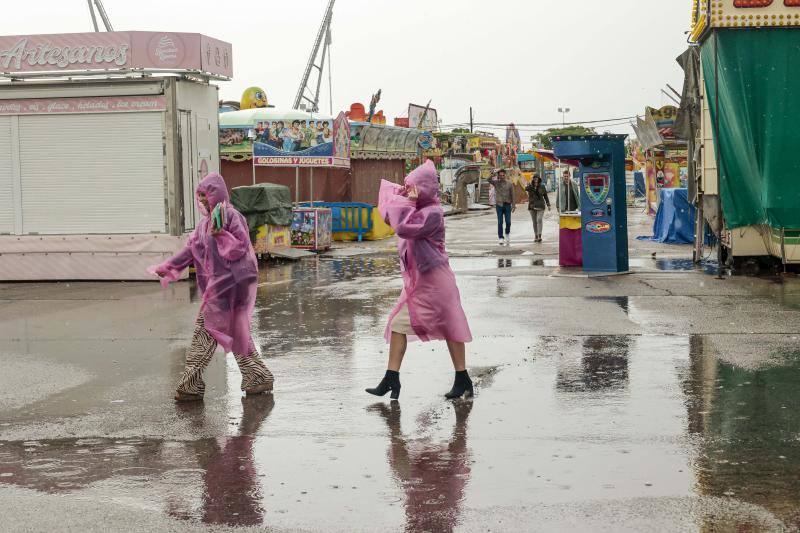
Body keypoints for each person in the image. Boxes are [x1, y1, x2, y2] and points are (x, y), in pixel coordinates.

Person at [150, 172, 274, 402]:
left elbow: (240, 249)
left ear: (217, 194)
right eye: (200, 196)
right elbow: (191, 250)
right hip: (218, 286)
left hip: (233, 285)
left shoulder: (231, 217)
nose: (203, 201)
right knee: (236, 334)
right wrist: (168, 267)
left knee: (204, 333)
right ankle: (257, 377)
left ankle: (191, 384)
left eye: (206, 195)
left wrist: (221, 235)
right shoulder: (204, 224)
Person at [367, 161, 474, 401]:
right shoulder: (420, 208)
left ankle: (462, 379)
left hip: (435, 281)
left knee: (451, 327)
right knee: (398, 324)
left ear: (424, 188)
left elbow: (406, 227)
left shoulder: (432, 213)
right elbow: (391, 217)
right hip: (421, 281)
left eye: (412, 186)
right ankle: (392, 378)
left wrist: (410, 202)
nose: (408, 190)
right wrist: (402, 198)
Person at [492, 169, 516, 246]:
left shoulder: (509, 184)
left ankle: (507, 233)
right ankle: (501, 237)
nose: (502, 176)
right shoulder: (496, 183)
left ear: (505, 175)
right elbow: (488, 179)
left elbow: (513, 194)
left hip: (507, 205)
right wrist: (494, 174)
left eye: (503, 175)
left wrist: (514, 205)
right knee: (500, 222)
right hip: (499, 205)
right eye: (500, 175)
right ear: (498, 176)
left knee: (508, 222)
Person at [525, 173, 551, 242]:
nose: (535, 179)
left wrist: (548, 204)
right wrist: (530, 184)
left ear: (539, 179)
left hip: (540, 205)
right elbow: (526, 189)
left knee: (539, 220)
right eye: (534, 178)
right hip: (532, 206)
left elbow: (545, 196)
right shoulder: (530, 186)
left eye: (537, 178)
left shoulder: (542, 186)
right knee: (534, 221)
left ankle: (539, 235)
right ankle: (536, 235)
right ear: (533, 179)